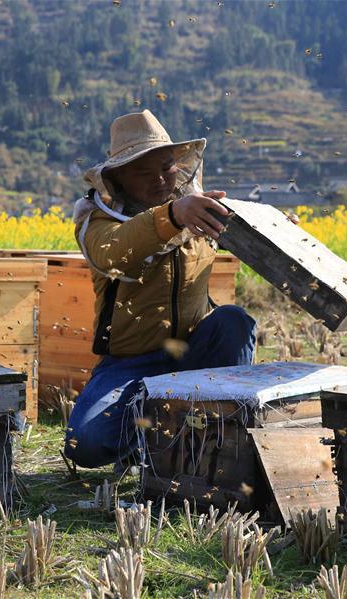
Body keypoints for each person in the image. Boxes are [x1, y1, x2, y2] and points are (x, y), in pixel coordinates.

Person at [63, 109, 257, 470]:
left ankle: (225, 437)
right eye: (142, 172)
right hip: (131, 365)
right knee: (84, 444)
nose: (160, 179)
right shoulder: (96, 221)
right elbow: (117, 250)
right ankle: (149, 440)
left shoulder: (197, 211)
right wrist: (170, 217)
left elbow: (251, 238)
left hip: (195, 355)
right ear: (118, 178)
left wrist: (276, 231)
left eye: (166, 167)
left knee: (233, 321)